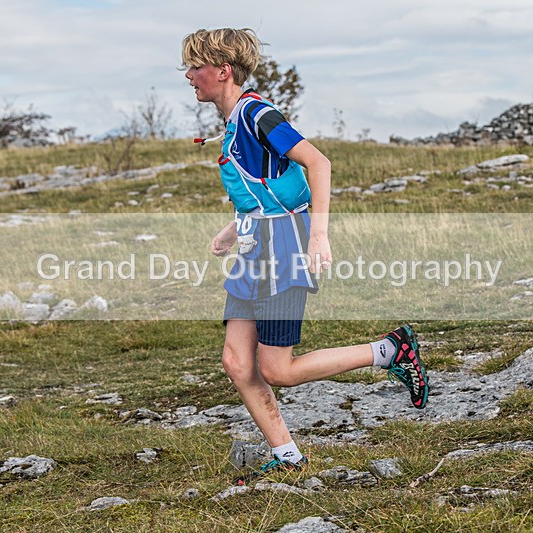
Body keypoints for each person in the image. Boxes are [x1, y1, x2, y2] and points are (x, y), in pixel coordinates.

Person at [181, 28, 429, 485]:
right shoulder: (235, 119)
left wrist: (319, 236)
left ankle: (391, 350)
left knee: (278, 370)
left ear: (222, 70)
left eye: (194, 67)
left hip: (285, 247)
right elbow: (271, 187)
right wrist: (233, 228)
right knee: (237, 362)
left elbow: (318, 163)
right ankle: (288, 455)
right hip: (256, 247)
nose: (188, 75)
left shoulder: (258, 114)